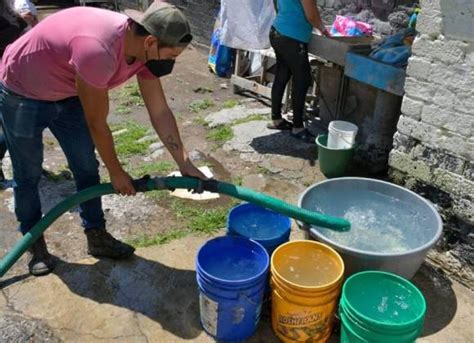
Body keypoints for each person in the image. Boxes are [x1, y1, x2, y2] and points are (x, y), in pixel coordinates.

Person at [0, 2, 208, 276]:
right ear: (150, 41)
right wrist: (117, 172)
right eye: (171, 54)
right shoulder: (98, 50)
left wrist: (184, 162)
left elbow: (159, 110)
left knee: (86, 166)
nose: (172, 62)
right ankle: (34, 242)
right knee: (27, 174)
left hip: (67, 88)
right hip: (23, 89)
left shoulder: (145, 53)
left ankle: (96, 235)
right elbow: (97, 122)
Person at [267, 0, 329, 143]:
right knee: (302, 80)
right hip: (292, 38)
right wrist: (324, 30)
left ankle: (276, 119)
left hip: (278, 31)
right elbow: (312, 16)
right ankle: (298, 127)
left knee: (282, 74)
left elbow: (277, 5)